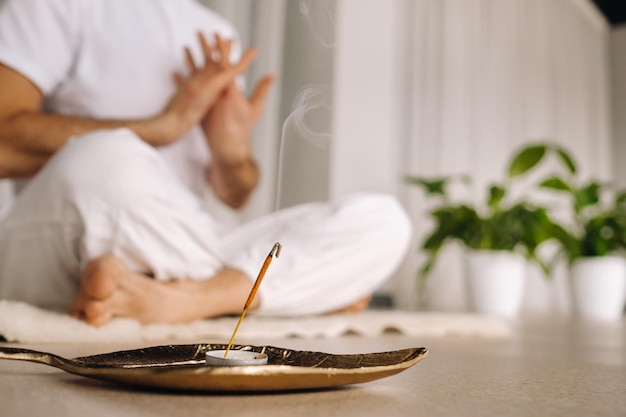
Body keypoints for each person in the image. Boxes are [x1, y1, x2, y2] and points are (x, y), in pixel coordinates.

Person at [0, 0, 412, 326]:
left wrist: (231, 153)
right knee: (106, 155)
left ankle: (188, 298)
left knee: (383, 220)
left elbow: (235, 194)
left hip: (187, 236)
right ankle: (271, 296)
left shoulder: (214, 31)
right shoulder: (53, 5)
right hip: (65, 237)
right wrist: (164, 126)